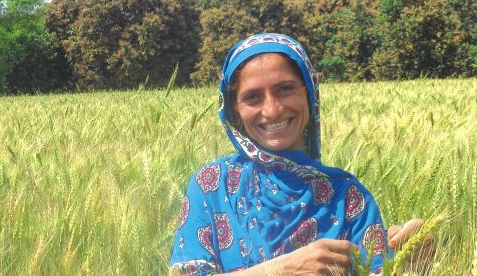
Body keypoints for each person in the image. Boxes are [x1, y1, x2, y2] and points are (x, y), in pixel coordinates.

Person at [169, 33, 431, 276]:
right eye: (252, 97)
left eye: (285, 88)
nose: (272, 110)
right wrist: (281, 270)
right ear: (235, 111)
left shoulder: (348, 198)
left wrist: (413, 260)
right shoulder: (212, 185)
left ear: (309, 93)